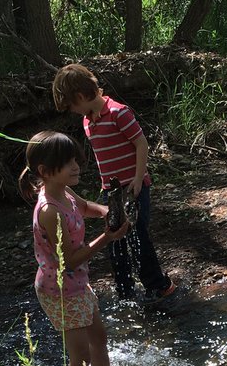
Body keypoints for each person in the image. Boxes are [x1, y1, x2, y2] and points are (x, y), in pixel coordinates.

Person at [52, 63, 176, 304]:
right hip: (111, 191)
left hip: (134, 186)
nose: (74, 112)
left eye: (72, 106)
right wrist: (105, 188)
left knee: (137, 234)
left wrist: (138, 178)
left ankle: (159, 286)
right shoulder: (88, 121)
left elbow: (141, 143)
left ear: (80, 97)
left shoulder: (119, 112)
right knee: (114, 238)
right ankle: (125, 290)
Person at [19, 131, 129, 366]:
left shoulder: (63, 191)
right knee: (80, 356)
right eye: (67, 162)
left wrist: (107, 212)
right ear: (44, 170)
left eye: (75, 160)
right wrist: (108, 237)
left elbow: (85, 207)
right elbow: (69, 261)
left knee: (99, 338)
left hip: (76, 284)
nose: (76, 166)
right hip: (59, 290)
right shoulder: (50, 211)